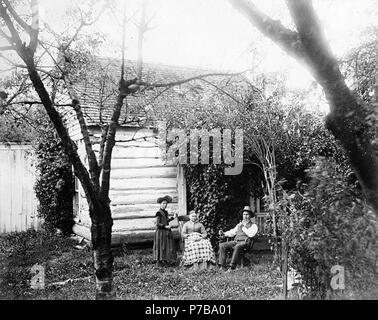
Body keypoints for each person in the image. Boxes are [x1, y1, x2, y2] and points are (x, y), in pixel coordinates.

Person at [218, 206, 258, 271]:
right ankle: (222, 266)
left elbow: (251, 235)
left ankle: (232, 267)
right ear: (242, 215)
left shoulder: (253, 225)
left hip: (245, 243)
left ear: (250, 216)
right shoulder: (239, 224)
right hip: (236, 241)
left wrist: (243, 227)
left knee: (238, 246)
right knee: (222, 245)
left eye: (247, 214)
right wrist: (224, 233)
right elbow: (232, 232)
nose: (245, 216)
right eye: (244, 214)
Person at [153, 195, 178, 266]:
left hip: (165, 231)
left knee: (166, 246)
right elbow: (158, 224)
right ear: (160, 204)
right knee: (160, 246)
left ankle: (165, 259)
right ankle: (159, 261)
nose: (165, 205)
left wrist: (173, 217)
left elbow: (166, 220)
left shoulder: (165, 212)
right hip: (160, 232)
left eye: (166, 204)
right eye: (163, 203)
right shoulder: (158, 213)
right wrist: (165, 226)